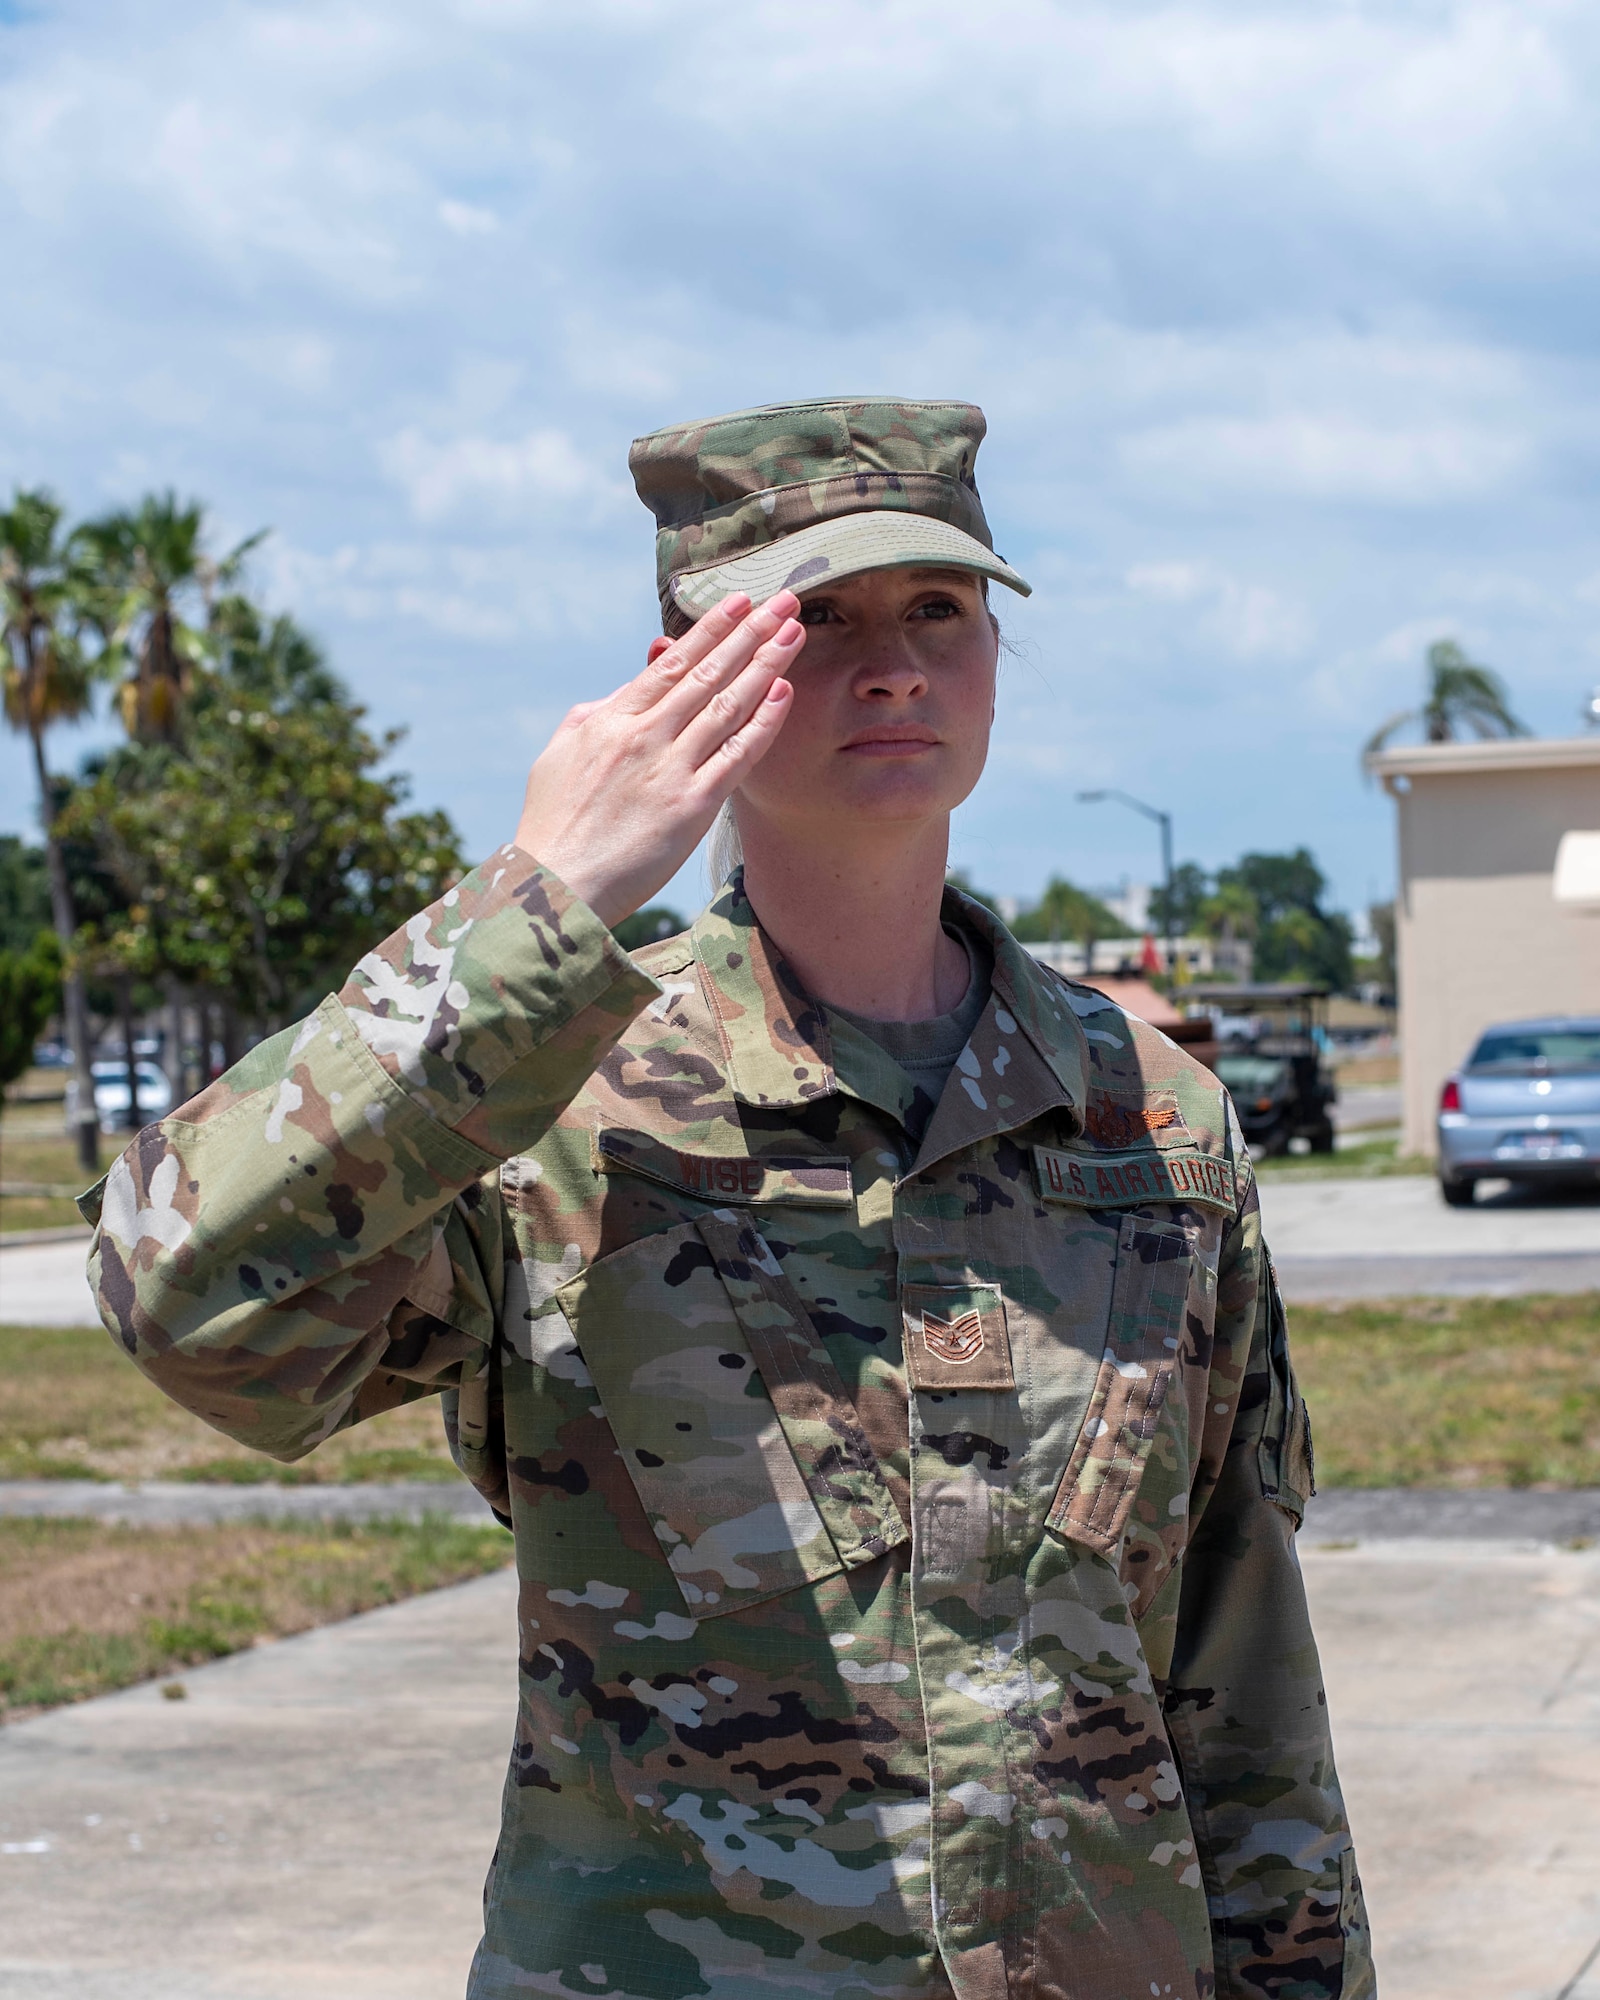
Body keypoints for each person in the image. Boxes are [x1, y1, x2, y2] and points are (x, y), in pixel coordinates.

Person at [85, 397, 1374, 2000]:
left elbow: (1241, 1681)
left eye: (939, 611)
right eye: (817, 617)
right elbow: (186, 1301)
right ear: (685, 668)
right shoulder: (553, 1100)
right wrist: (535, 910)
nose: (893, 664)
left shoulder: (1153, 1120)